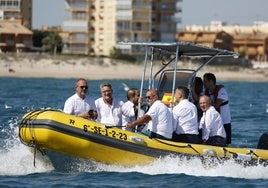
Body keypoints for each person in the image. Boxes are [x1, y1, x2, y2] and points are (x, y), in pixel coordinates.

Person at [203, 72, 232, 145]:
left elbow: (216, 105)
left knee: (226, 142)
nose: (204, 84)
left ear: (211, 81)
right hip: (214, 122)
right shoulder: (206, 93)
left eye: (205, 82)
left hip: (224, 121)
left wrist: (205, 102)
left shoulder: (222, 91)